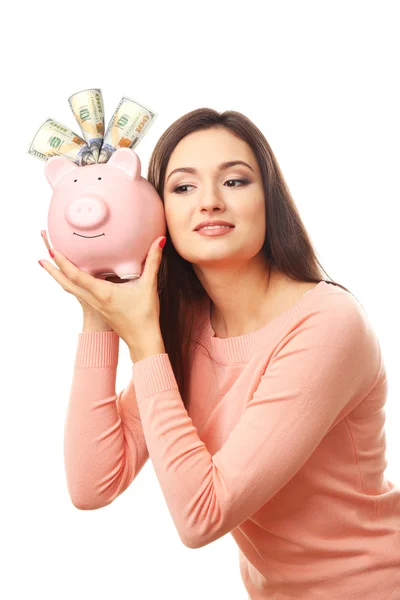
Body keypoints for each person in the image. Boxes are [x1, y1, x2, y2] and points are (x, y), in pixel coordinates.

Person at [47, 108, 400, 599]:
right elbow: (91, 484)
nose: (209, 203)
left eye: (235, 181)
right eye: (183, 188)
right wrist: (99, 310)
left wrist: (145, 341)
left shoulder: (327, 324)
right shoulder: (187, 324)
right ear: (156, 211)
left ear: (268, 200)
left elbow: (201, 516)